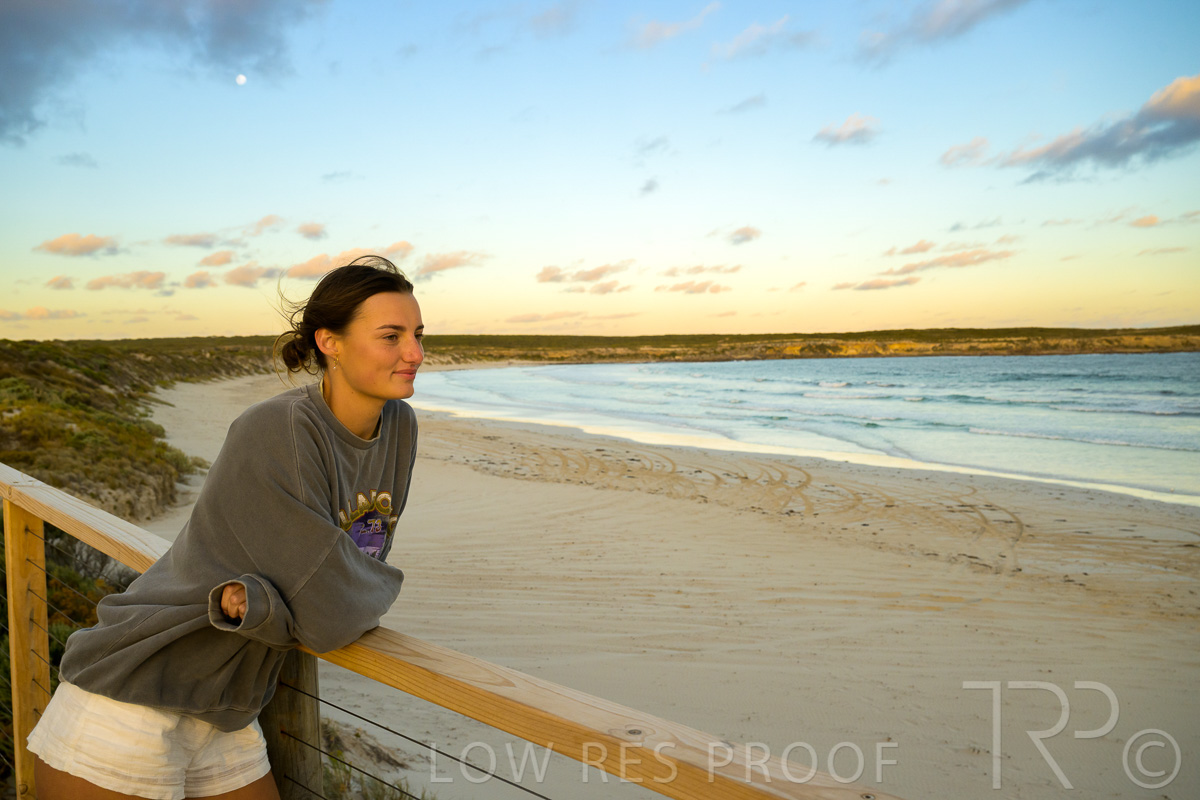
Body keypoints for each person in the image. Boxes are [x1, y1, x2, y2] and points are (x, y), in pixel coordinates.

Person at [26, 255, 424, 800]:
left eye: (419, 335)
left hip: (227, 708)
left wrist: (269, 601)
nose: (414, 354)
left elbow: (356, 571)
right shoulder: (279, 429)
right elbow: (332, 614)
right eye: (391, 336)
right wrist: (278, 602)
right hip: (135, 696)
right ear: (330, 342)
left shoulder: (399, 426)